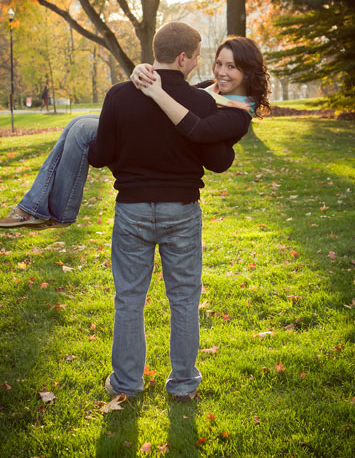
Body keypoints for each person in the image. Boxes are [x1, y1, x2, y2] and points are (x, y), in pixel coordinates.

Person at [87, 21, 240, 401]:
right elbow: (218, 161)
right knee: (185, 299)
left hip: (132, 210)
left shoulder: (119, 96)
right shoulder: (203, 103)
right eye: (198, 55)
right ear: (183, 57)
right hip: (182, 211)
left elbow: (99, 156)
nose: (200, 63)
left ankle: (126, 384)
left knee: (129, 298)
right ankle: (184, 385)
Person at [0, 35, 270, 229]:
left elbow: (198, 130)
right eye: (219, 63)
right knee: (77, 124)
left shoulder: (238, 114)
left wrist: (156, 91)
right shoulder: (213, 88)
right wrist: (143, 69)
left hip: (168, 166)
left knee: (82, 126)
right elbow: (179, 90)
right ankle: (37, 208)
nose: (221, 72)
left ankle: (50, 212)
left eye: (231, 66)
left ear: (248, 71)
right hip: (153, 138)